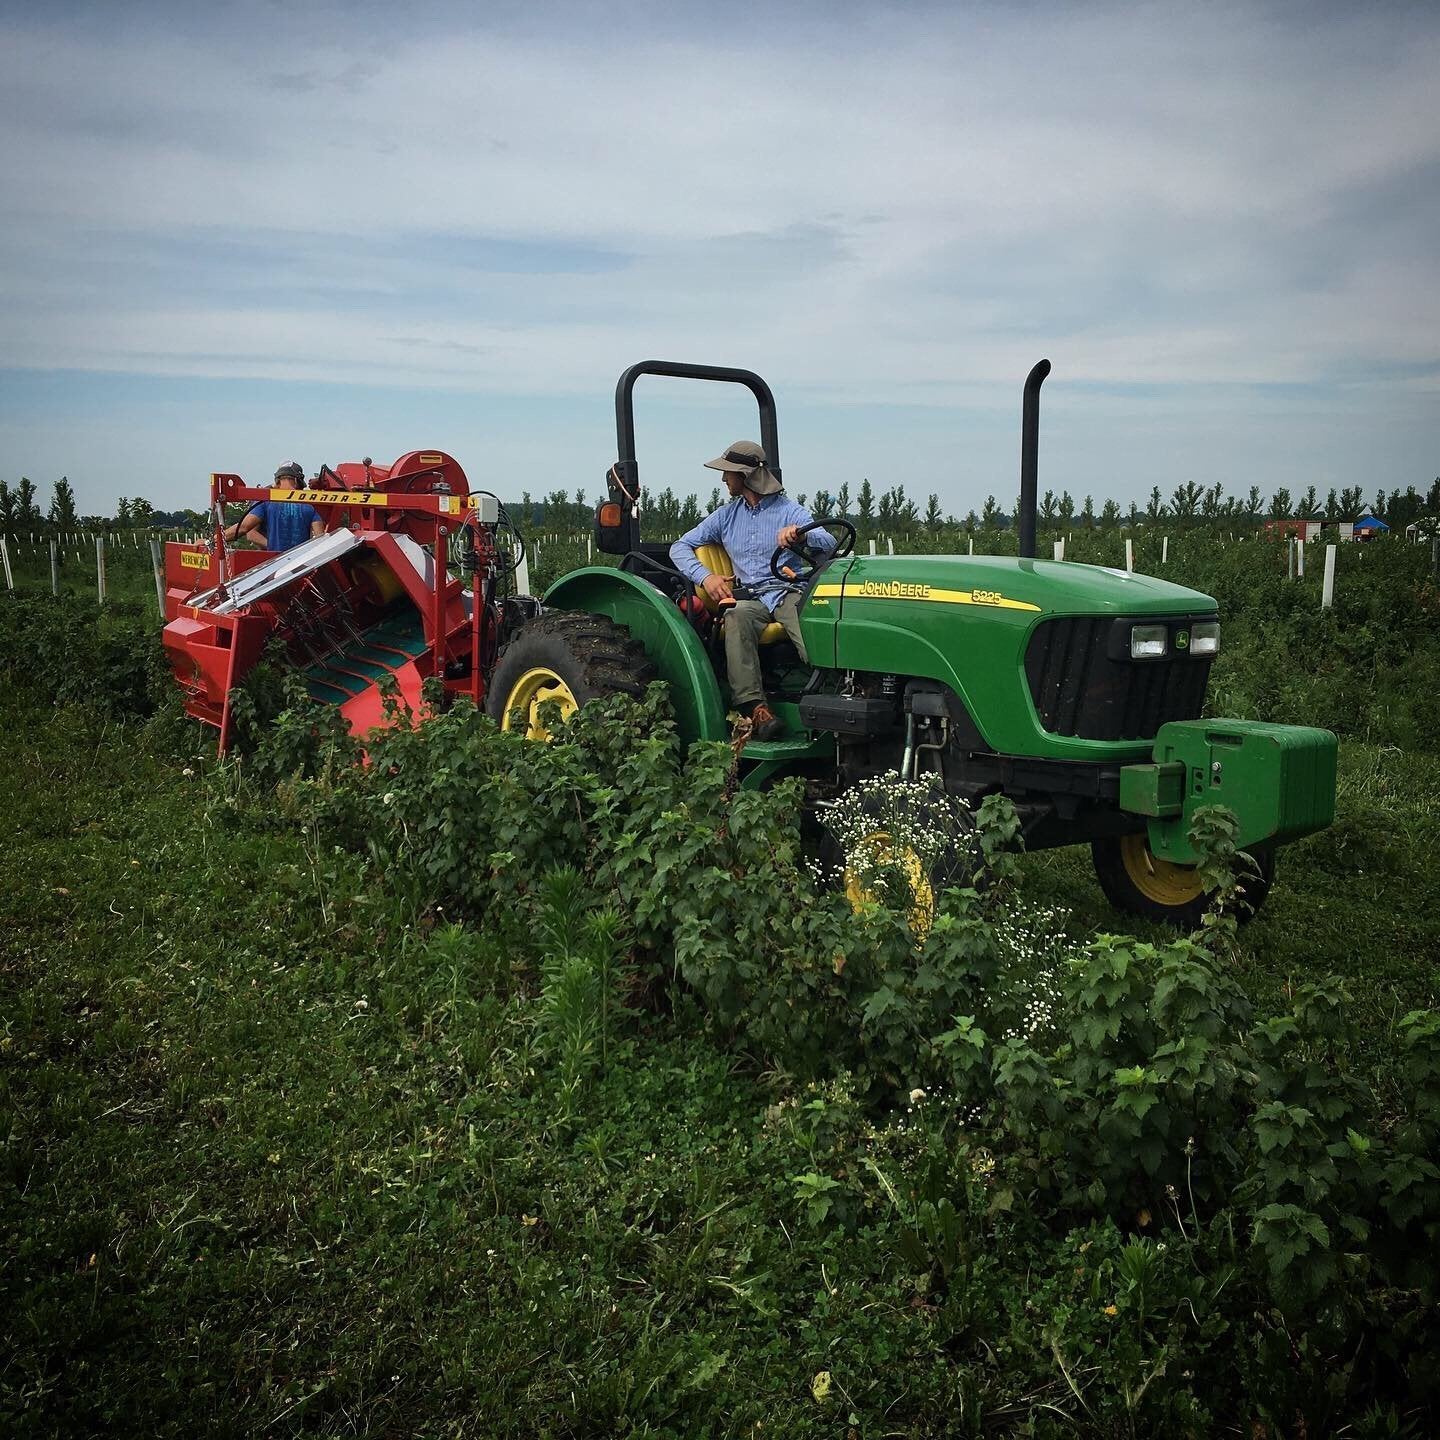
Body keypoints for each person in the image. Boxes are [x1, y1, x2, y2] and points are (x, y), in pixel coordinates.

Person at [670, 440, 835, 740]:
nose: (723, 479)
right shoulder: (726, 516)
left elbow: (829, 542)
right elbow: (680, 547)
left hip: (787, 591)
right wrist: (706, 577)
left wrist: (800, 536)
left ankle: (832, 695)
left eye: (728, 473)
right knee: (736, 616)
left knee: (815, 628)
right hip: (751, 597)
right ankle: (756, 709)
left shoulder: (789, 511)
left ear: (745, 476)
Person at [223, 461, 325, 552]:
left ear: (277, 479)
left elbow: (244, 528)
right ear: (296, 480)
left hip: (274, 563)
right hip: (299, 564)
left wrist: (216, 539)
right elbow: (320, 538)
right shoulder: (309, 506)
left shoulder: (265, 502)